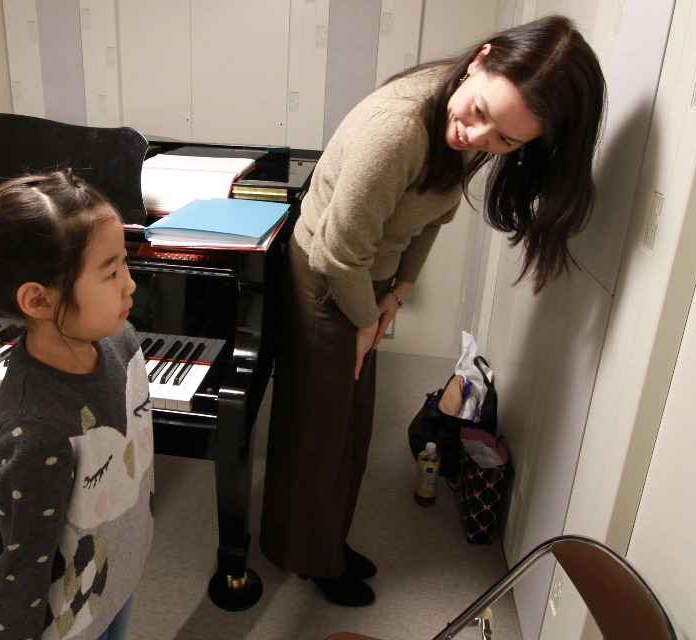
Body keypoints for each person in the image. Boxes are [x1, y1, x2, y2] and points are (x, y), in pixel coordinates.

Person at [259, 14, 606, 607]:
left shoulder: (466, 124)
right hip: (326, 279)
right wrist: (367, 321)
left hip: (365, 282)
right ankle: (311, 557)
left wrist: (392, 299)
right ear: (481, 60)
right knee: (319, 431)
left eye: (505, 141)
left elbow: (432, 220)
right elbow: (342, 254)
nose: (477, 139)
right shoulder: (399, 132)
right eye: (480, 113)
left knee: (346, 426)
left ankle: (324, 544)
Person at [0, 170, 154, 640]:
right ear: (38, 300)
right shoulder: (36, 433)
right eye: (109, 272)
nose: (129, 285)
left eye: (124, 263)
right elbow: (19, 572)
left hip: (118, 572)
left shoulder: (121, 340)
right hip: (67, 619)